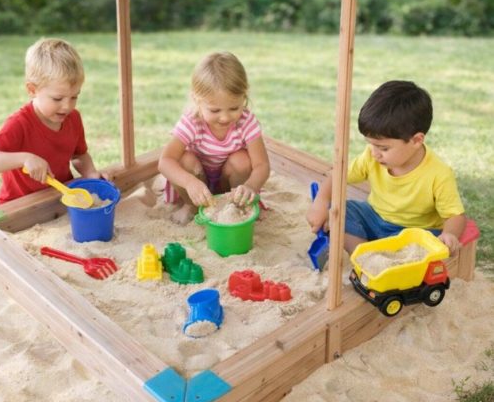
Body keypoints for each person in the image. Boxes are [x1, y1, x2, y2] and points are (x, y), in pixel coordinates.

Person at [307, 80, 466, 255]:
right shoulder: (371, 156)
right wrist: (321, 201)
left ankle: (375, 254)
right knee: (338, 211)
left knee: (423, 243)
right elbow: (339, 176)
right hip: (374, 217)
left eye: (383, 148)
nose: (375, 153)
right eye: (371, 144)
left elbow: (455, 216)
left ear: (416, 140)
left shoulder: (438, 174)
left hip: (413, 231)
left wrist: (450, 234)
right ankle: (363, 254)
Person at [0, 37, 107, 203]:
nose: (67, 106)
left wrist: (90, 173)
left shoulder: (73, 118)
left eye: (74, 97)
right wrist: (25, 158)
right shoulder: (20, 123)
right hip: (20, 203)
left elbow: (79, 155)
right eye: (57, 98)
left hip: (61, 196)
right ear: (32, 90)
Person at [158, 51, 271, 224]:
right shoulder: (192, 121)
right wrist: (189, 183)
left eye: (234, 108)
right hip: (197, 186)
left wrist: (250, 186)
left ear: (244, 96)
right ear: (197, 100)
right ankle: (191, 206)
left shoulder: (246, 122)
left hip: (230, 186)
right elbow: (165, 162)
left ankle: (235, 206)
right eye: (215, 110)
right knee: (184, 159)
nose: (224, 118)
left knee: (241, 160)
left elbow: (262, 165)